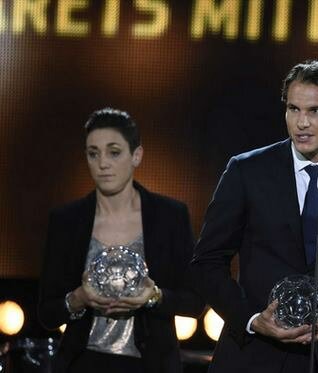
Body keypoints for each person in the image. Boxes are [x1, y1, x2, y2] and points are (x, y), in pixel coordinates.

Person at [191, 60, 318, 372]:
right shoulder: (246, 172)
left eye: (315, 111)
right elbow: (207, 263)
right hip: (253, 356)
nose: (301, 122)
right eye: (293, 109)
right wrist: (251, 319)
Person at [38, 108, 204, 373]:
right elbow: (47, 313)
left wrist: (153, 296)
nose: (103, 163)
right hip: (83, 363)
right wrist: (79, 298)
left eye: (113, 152)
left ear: (136, 155)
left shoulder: (170, 217)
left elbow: (195, 302)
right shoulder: (66, 221)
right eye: (94, 153)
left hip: (150, 365)